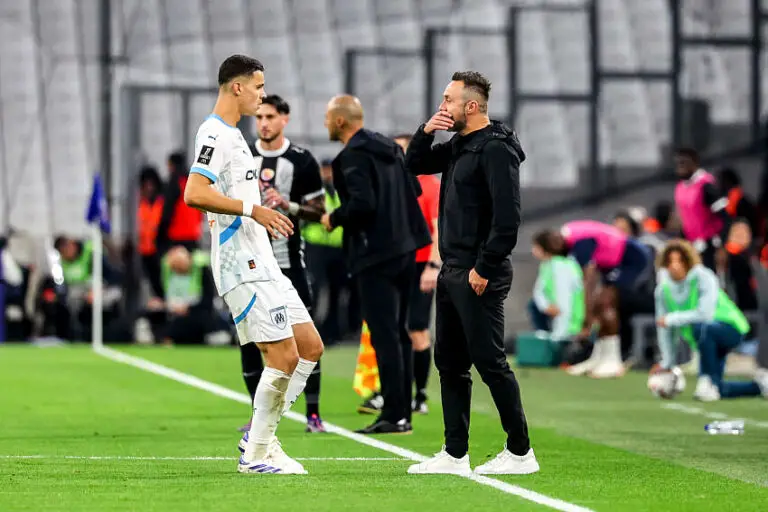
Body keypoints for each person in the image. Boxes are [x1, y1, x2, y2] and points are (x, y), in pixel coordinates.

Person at [183, 54, 323, 475]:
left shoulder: (235, 135)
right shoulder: (214, 133)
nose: (263, 95)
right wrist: (254, 210)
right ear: (238, 87)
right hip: (240, 263)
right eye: (259, 87)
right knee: (282, 355)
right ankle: (257, 454)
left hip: (264, 262)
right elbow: (194, 192)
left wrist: (260, 214)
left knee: (309, 348)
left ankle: (262, 437)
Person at [404, 71, 539, 475]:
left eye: (448, 100)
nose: (442, 106)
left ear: (472, 105)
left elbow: (508, 218)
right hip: (453, 269)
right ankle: (455, 453)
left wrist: (485, 266)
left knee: (490, 362)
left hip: (478, 272)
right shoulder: (460, 145)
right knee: (449, 363)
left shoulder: (495, 149)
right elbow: (414, 163)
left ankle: (521, 452)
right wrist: (426, 130)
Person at [320, 95, 430, 434]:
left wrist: (334, 217)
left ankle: (394, 414)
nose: (325, 123)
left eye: (328, 117)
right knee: (399, 333)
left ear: (340, 121)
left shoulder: (351, 157)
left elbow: (362, 204)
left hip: (375, 254)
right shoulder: (392, 148)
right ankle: (402, 413)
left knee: (384, 335)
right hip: (406, 249)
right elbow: (413, 190)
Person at [236, 94, 326, 433]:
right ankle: (257, 414)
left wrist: (288, 205)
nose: (263, 123)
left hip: (290, 265)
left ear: (284, 119)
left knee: (306, 339)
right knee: (250, 340)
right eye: (259, 117)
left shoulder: (301, 160)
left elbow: (320, 212)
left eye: (270, 117)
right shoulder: (244, 155)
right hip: (251, 265)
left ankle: (313, 414)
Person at [654, 239, 768, 400]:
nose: (675, 266)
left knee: (702, 327)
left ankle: (705, 379)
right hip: (705, 338)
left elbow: (705, 314)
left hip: (730, 328)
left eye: (680, 260)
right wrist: (668, 362)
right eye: (670, 261)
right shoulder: (662, 291)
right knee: (717, 387)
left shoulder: (703, 276)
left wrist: (671, 319)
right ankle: (760, 386)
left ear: (688, 261)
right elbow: (664, 329)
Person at [545, 220, 653, 378]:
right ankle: (599, 357)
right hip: (613, 263)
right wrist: (590, 310)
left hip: (631, 259)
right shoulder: (569, 234)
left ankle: (613, 360)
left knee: (606, 303)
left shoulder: (579, 242)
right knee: (599, 304)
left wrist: (587, 318)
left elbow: (588, 279)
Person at [394, 133, 441, 415]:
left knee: (417, 328)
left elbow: (438, 228)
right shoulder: (391, 185)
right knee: (391, 329)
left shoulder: (430, 186)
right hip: (394, 264)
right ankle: (393, 391)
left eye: (402, 150)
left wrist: (433, 266)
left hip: (420, 264)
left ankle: (420, 394)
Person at [673, 148, 730, 270]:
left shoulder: (706, 186)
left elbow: (725, 217)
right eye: (678, 163)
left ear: (694, 163)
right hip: (691, 247)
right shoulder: (680, 187)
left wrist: (722, 246)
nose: (680, 167)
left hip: (710, 247)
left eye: (683, 163)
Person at [528, 230, 585, 341]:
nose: (533, 250)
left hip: (570, 323)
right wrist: (545, 305)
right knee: (533, 305)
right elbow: (539, 292)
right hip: (555, 313)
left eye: (535, 246)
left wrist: (559, 334)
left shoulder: (560, 266)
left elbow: (565, 301)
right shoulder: (547, 265)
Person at [157, 151, 203, 253]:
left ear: (173, 165)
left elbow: (167, 211)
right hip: (193, 235)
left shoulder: (174, 183)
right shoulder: (193, 182)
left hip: (177, 237)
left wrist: (160, 235)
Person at [137, 165, 164, 299]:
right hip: (145, 251)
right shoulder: (141, 204)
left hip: (159, 250)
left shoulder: (162, 202)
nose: (149, 188)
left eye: (151, 184)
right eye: (146, 185)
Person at [717, 167, 758, 238]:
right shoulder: (738, 196)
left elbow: (728, 215)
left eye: (722, 180)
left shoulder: (735, 196)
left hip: (739, 236)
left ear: (728, 181)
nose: (719, 184)